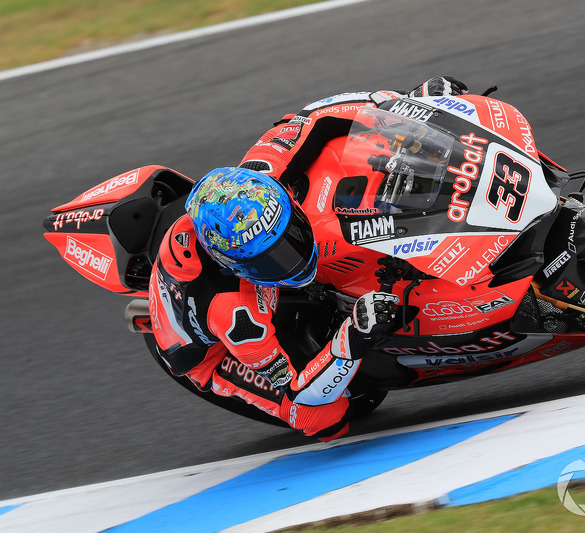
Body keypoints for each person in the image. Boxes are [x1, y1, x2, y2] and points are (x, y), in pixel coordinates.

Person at [148, 77, 468, 441]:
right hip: (211, 355)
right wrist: (353, 336)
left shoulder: (260, 175)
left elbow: (318, 115)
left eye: (292, 235)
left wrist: (405, 103)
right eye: (273, 259)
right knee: (323, 419)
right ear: (235, 265)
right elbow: (299, 391)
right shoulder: (238, 317)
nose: (293, 257)